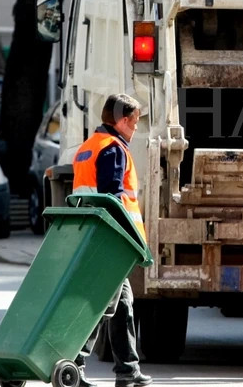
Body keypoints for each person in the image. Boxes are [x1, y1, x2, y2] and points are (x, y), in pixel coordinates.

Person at [72, 93, 152, 387]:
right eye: (135, 122)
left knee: (123, 305)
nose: (135, 128)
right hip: (110, 239)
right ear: (122, 120)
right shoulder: (113, 149)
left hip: (95, 234)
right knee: (103, 304)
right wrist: (123, 238)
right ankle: (75, 363)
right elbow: (112, 197)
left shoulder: (88, 147)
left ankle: (128, 368)